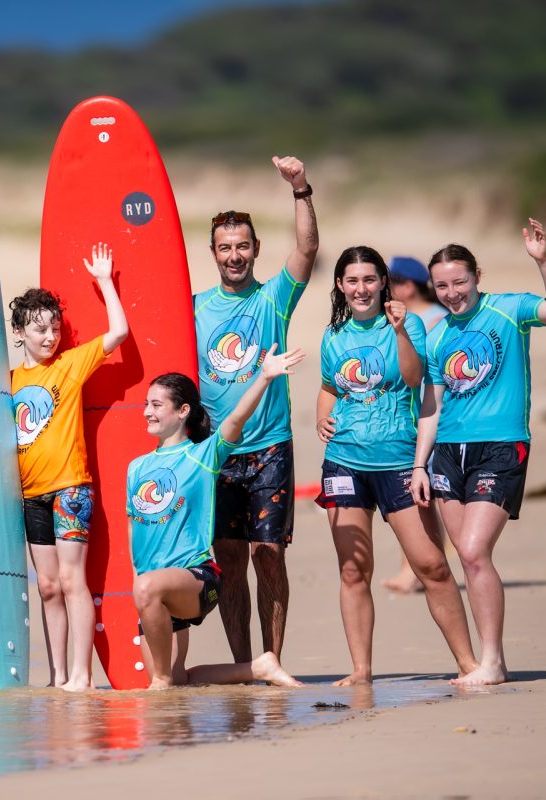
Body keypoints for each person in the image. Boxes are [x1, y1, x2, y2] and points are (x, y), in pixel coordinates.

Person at [411, 219, 546, 686]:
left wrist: (543, 262)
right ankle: (488, 662)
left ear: (477, 275)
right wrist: (419, 464)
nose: (452, 292)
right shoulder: (437, 335)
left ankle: (493, 660)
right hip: (446, 451)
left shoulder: (509, 309)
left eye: (459, 281)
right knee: (468, 558)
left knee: (474, 550)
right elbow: (432, 403)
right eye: (441, 285)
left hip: (502, 446)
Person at [315, 246, 477, 685]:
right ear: (340, 286)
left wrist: (401, 331)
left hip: (402, 461)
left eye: (370, 279)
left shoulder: (410, 324)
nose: (361, 288)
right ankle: (361, 671)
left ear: (383, 282)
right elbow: (331, 386)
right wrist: (320, 415)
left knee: (432, 566)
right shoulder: (334, 335)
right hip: (345, 462)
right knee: (352, 570)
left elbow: (412, 378)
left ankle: (468, 664)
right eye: (352, 280)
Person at [192, 156, 318, 663]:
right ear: (214, 253)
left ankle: (273, 659)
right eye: (226, 248)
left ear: (256, 249)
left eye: (243, 246)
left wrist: (300, 189)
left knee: (268, 555)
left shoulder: (274, 300)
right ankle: (245, 663)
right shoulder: (193, 306)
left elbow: (308, 248)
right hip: (216, 452)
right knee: (228, 560)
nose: (235, 255)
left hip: (269, 448)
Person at [129, 366, 302, 690]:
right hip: (153, 590)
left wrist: (264, 378)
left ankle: (162, 681)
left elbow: (235, 420)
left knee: (160, 680)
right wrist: (138, 584)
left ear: (183, 411)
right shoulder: (136, 467)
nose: (146, 412)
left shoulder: (202, 456)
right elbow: (133, 530)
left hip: (196, 579)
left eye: (156, 405)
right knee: (177, 681)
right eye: (146, 404)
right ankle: (258, 667)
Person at [9, 243, 129, 692]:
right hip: (30, 494)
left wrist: (103, 283)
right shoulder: (8, 381)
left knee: (70, 578)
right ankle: (57, 675)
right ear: (19, 332)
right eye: (39, 329)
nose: (49, 337)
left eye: (55, 328)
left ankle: (82, 674)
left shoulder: (70, 365)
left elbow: (119, 332)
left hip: (71, 488)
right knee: (46, 586)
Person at [383, 254, 448, 593]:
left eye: (390, 282)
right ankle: (416, 567)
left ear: (406, 287)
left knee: (423, 498)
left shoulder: (435, 319)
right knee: (420, 497)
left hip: (434, 417)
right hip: (416, 417)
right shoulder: (414, 319)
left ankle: (419, 569)